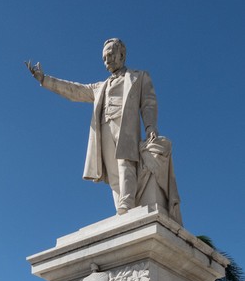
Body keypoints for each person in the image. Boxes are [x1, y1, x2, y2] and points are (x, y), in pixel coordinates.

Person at [27, 38, 174, 216]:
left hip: (125, 123)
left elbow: (149, 103)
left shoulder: (139, 76)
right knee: (112, 171)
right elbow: (75, 91)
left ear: (122, 55)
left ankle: (127, 203)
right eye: (104, 58)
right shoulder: (100, 87)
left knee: (125, 162)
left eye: (111, 55)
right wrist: (45, 80)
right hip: (103, 126)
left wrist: (150, 126)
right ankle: (122, 210)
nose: (107, 60)